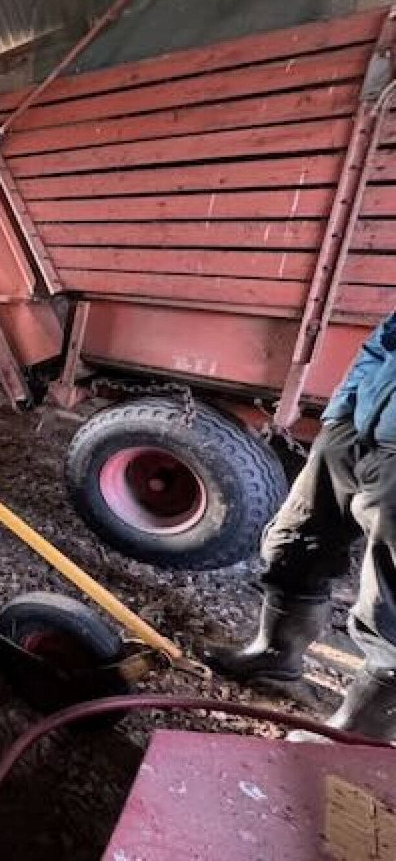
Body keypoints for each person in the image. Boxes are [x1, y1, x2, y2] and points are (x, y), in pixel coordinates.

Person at [208, 311, 396, 740]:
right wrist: (340, 414)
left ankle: (355, 736)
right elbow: (385, 338)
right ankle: (274, 655)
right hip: (355, 432)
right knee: (296, 542)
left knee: (391, 603)